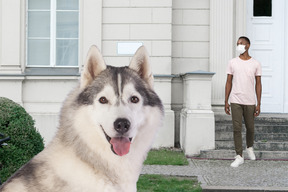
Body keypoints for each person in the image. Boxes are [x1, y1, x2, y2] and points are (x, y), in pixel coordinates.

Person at [224, 36, 262, 168]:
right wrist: (226, 101)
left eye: (241, 43)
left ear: (248, 45)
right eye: (237, 44)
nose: (238, 46)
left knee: (250, 128)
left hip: (250, 101)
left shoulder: (255, 63)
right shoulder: (232, 62)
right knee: (237, 128)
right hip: (236, 100)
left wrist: (259, 103)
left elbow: (258, 84)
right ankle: (239, 155)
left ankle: (249, 147)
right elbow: (228, 81)